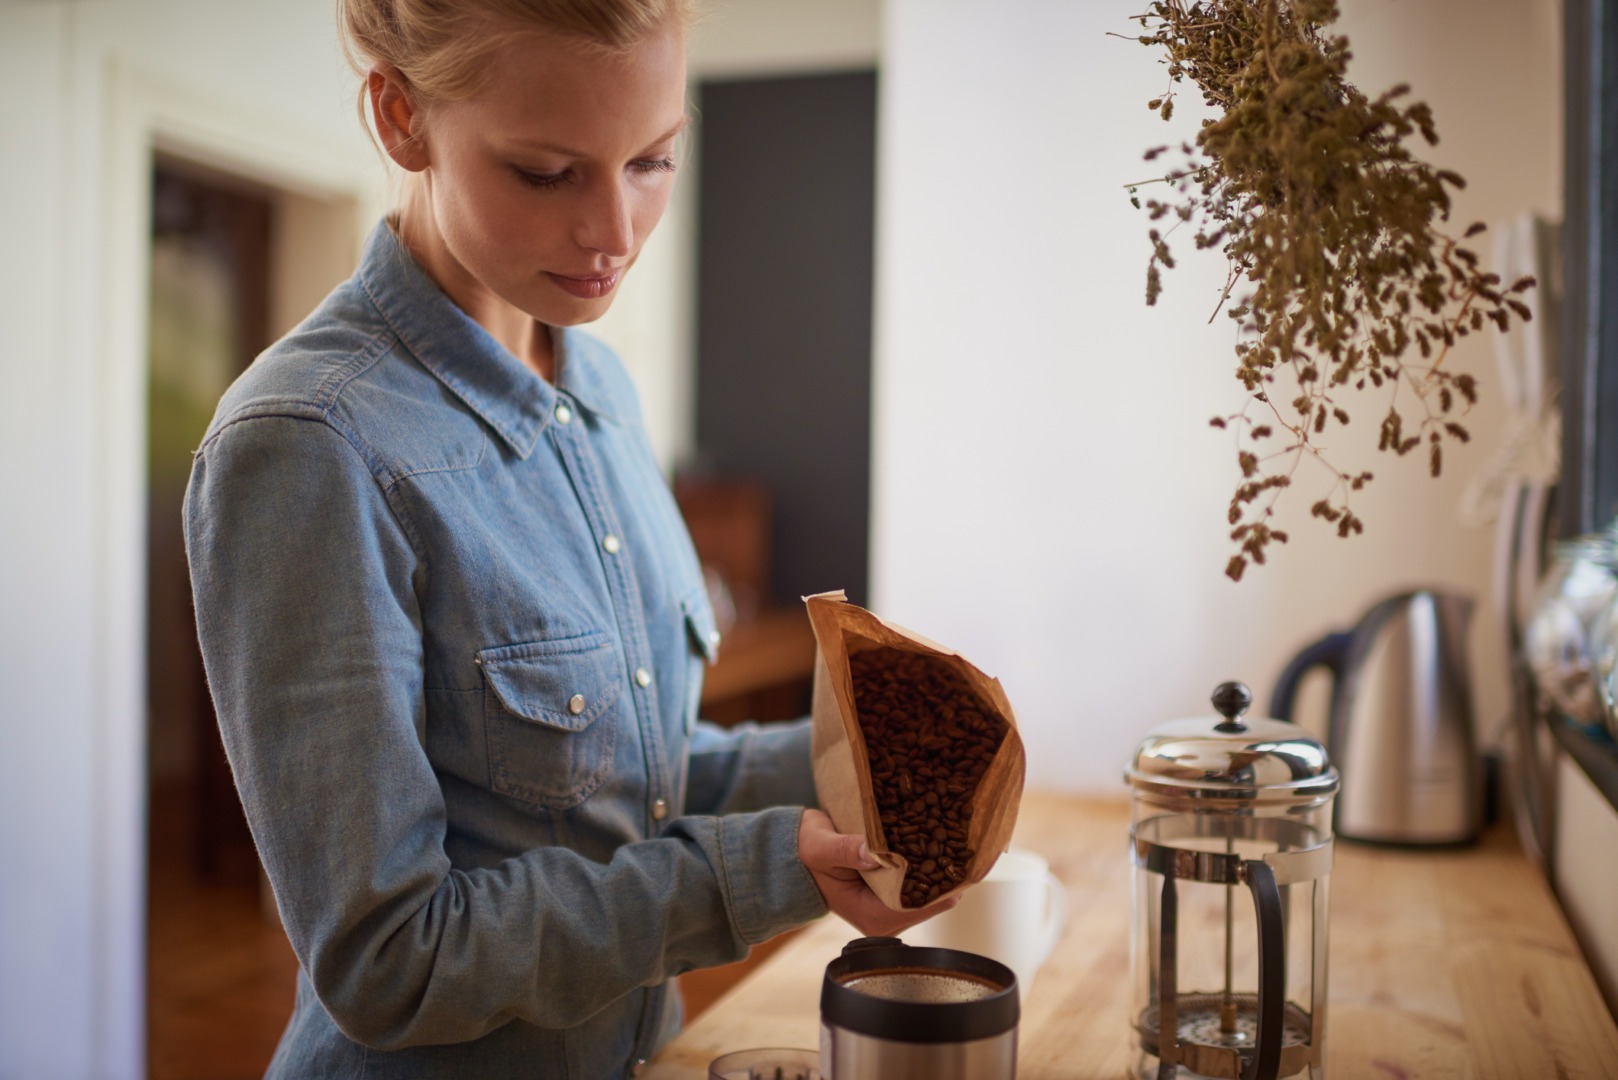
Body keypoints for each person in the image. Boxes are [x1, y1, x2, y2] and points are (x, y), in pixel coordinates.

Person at [182, 1, 950, 1076]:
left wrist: (873, 774)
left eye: (653, 160)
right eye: (546, 172)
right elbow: (385, 960)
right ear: (401, 117)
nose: (616, 232)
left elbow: (634, 777)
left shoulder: (598, 389)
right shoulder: (311, 445)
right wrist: (751, 871)